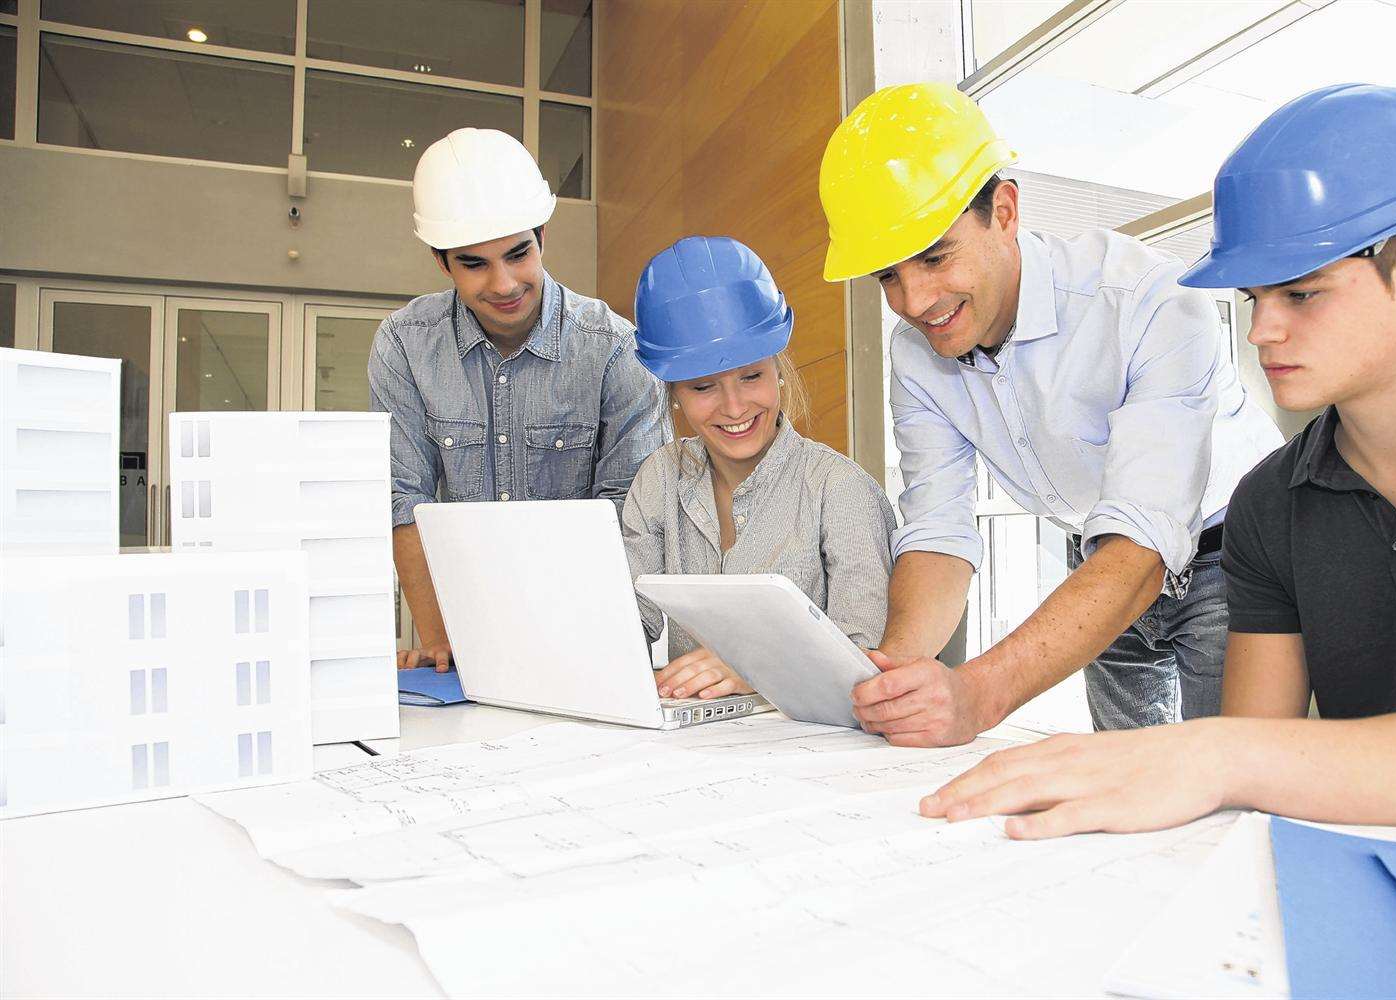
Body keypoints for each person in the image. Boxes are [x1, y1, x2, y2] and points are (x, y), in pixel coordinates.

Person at [920, 83, 1396, 838]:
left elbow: (1241, 754)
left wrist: (1219, 755)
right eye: (1253, 298)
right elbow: (1250, 777)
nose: (1261, 333)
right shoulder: (1269, 502)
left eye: (1300, 294)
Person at [818, 83, 1284, 745]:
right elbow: (937, 530)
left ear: (1003, 212)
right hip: (1099, 559)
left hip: (1230, 557)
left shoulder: (1146, 298)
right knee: (1120, 775)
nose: (915, 301)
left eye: (934, 256)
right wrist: (898, 675)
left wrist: (978, 693)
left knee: (1229, 778)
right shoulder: (915, 355)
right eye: (886, 277)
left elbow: (1146, 538)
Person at [370, 128, 666, 672]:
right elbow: (401, 500)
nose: (504, 284)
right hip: (459, 632)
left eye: (517, 253)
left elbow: (634, 516)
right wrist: (441, 642)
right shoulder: (404, 345)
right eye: (474, 264)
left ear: (542, 236)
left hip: (590, 631)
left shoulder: (614, 349)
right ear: (443, 263)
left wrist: (592, 644)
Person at [622, 236, 897, 700]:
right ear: (674, 392)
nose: (734, 407)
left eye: (751, 376)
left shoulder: (839, 489)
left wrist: (761, 668)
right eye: (703, 386)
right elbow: (627, 623)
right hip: (696, 747)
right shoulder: (659, 479)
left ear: (778, 368)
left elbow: (868, 661)